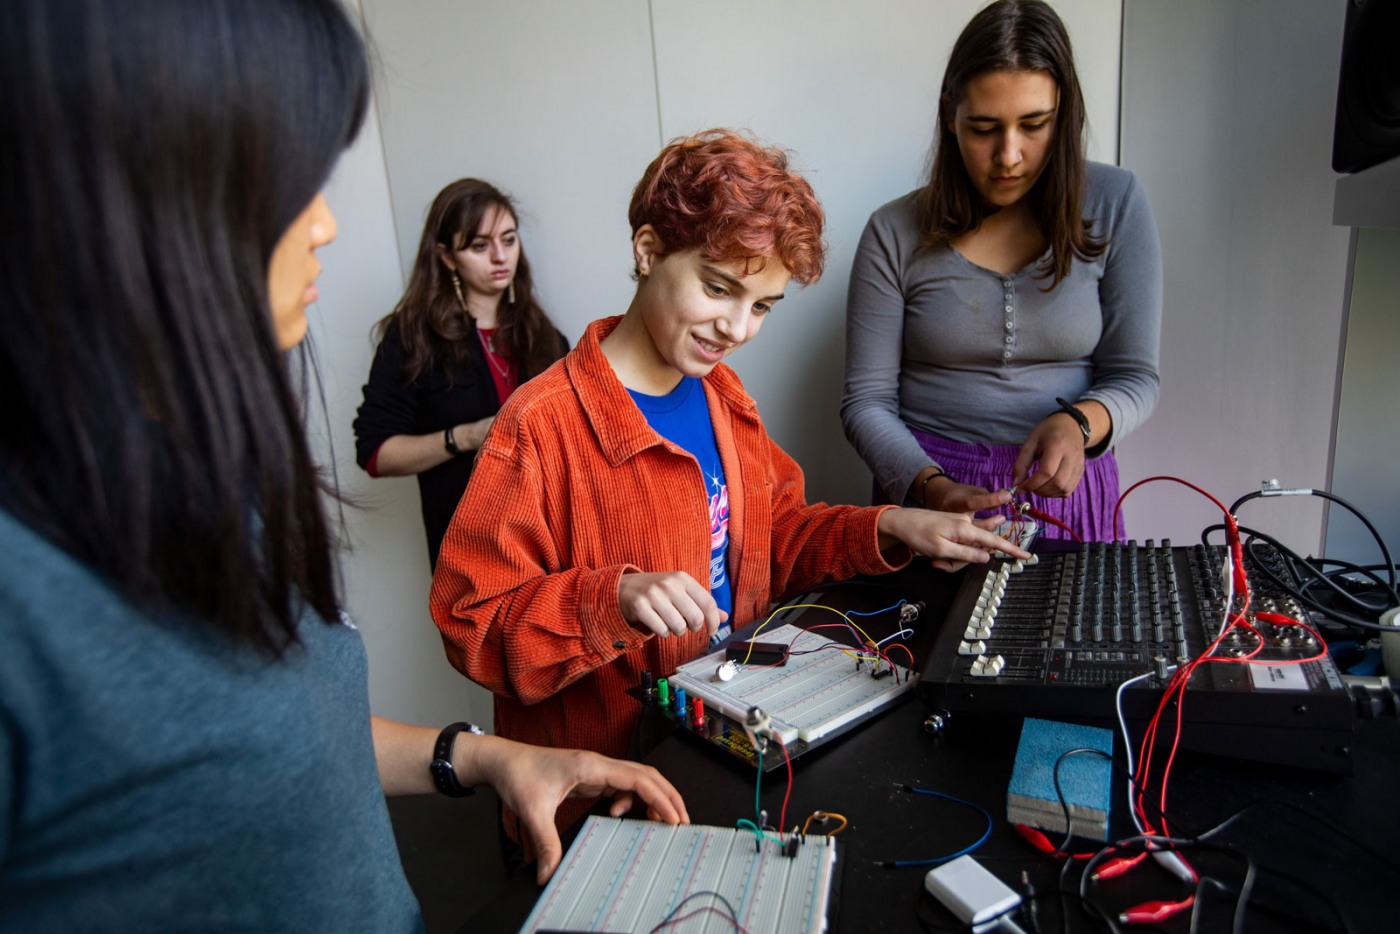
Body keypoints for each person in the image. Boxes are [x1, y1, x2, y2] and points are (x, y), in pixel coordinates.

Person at [0, 1, 686, 927]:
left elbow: (285, 730)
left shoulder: (208, 476)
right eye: (289, 182)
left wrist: (484, 756)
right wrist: (469, 441)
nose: (323, 225)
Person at [429, 129, 1029, 850]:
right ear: (649, 251)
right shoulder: (539, 426)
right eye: (718, 288)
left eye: (763, 305)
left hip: (721, 750)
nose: (737, 327)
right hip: (604, 802)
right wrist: (609, 598)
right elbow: (472, 624)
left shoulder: (723, 397)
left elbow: (773, 536)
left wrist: (895, 525)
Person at [841, 0, 1162, 542]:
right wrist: (931, 485)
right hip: (929, 497)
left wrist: (1079, 423)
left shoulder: (1117, 202)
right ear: (950, 115)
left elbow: (1136, 377)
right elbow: (866, 403)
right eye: (984, 128)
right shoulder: (892, 231)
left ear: (1064, 115)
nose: (1009, 156)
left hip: (1070, 487)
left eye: (1034, 125)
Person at [354, 179, 568, 568]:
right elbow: (374, 452)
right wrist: (465, 436)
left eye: (509, 239)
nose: (500, 257)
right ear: (447, 257)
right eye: (479, 246)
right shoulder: (412, 337)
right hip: (470, 557)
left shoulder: (547, 338)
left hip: (551, 550)